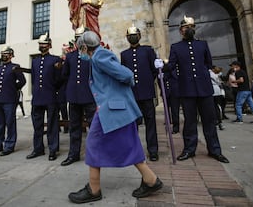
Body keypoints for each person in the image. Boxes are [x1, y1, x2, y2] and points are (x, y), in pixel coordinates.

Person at [68, 31, 163, 204]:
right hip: (115, 109)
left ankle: (94, 189)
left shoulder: (99, 56)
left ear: (84, 47)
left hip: (112, 109)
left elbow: (127, 75)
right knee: (129, 144)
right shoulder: (98, 56)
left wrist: (113, 96)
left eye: (80, 48)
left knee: (93, 143)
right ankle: (151, 180)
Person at [155, 15, 229, 163]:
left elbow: (208, 63)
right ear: (180, 31)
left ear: (194, 29)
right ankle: (189, 149)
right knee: (190, 122)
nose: (188, 29)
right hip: (187, 90)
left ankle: (215, 150)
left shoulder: (203, 45)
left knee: (209, 120)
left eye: (191, 27)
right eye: (185, 27)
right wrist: (161, 66)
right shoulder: (176, 47)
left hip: (204, 88)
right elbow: (171, 66)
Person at [120, 25, 159, 161]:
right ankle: (133, 150)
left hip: (147, 92)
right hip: (132, 95)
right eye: (130, 36)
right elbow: (124, 73)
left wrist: (147, 82)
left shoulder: (147, 50)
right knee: (133, 125)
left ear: (140, 36)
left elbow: (154, 70)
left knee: (150, 123)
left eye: (134, 35)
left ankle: (153, 151)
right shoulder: (124, 54)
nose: (132, 37)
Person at [60, 27, 96, 167]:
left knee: (93, 128)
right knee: (74, 127)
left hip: (89, 96)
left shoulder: (92, 55)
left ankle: (95, 154)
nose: (78, 41)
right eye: (76, 38)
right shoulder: (70, 56)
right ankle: (73, 154)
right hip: (74, 97)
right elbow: (65, 75)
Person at [27, 33, 62, 161]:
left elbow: (59, 79)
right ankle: (38, 149)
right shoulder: (35, 61)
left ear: (49, 46)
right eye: (40, 44)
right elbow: (34, 80)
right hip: (37, 97)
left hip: (51, 96)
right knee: (37, 125)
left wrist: (54, 90)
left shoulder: (55, 60)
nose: (42, 46)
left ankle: (53, 149)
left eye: (44, 44)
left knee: (52, 125)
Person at [209, 66, 225, 130]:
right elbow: (220, 82)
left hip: (211, 91)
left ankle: (214, 121)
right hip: (217, 91)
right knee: (216, 107)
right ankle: (219, 121)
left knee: (212, 107)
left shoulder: (209, 73)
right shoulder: (217, 75)